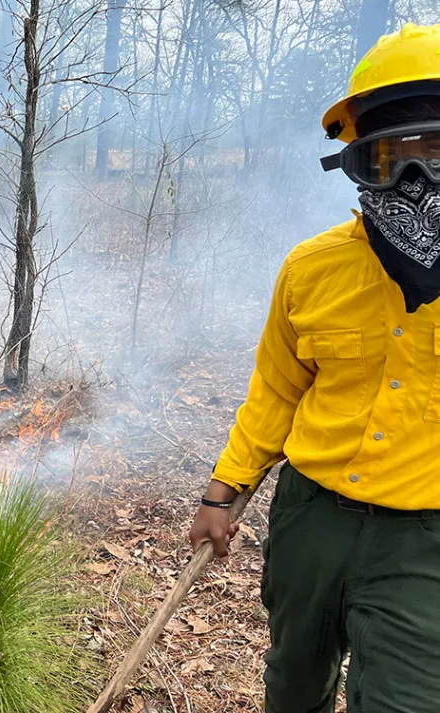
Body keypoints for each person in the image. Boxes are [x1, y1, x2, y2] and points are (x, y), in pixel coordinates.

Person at [188, 23, 440, 713]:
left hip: (424, 541)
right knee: (293, 686)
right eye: (393, 157)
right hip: (311, 520)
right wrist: (221, 493)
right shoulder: (312, 268)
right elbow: (275, 390)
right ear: (360, 162)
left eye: (438, 152)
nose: (416, 180)